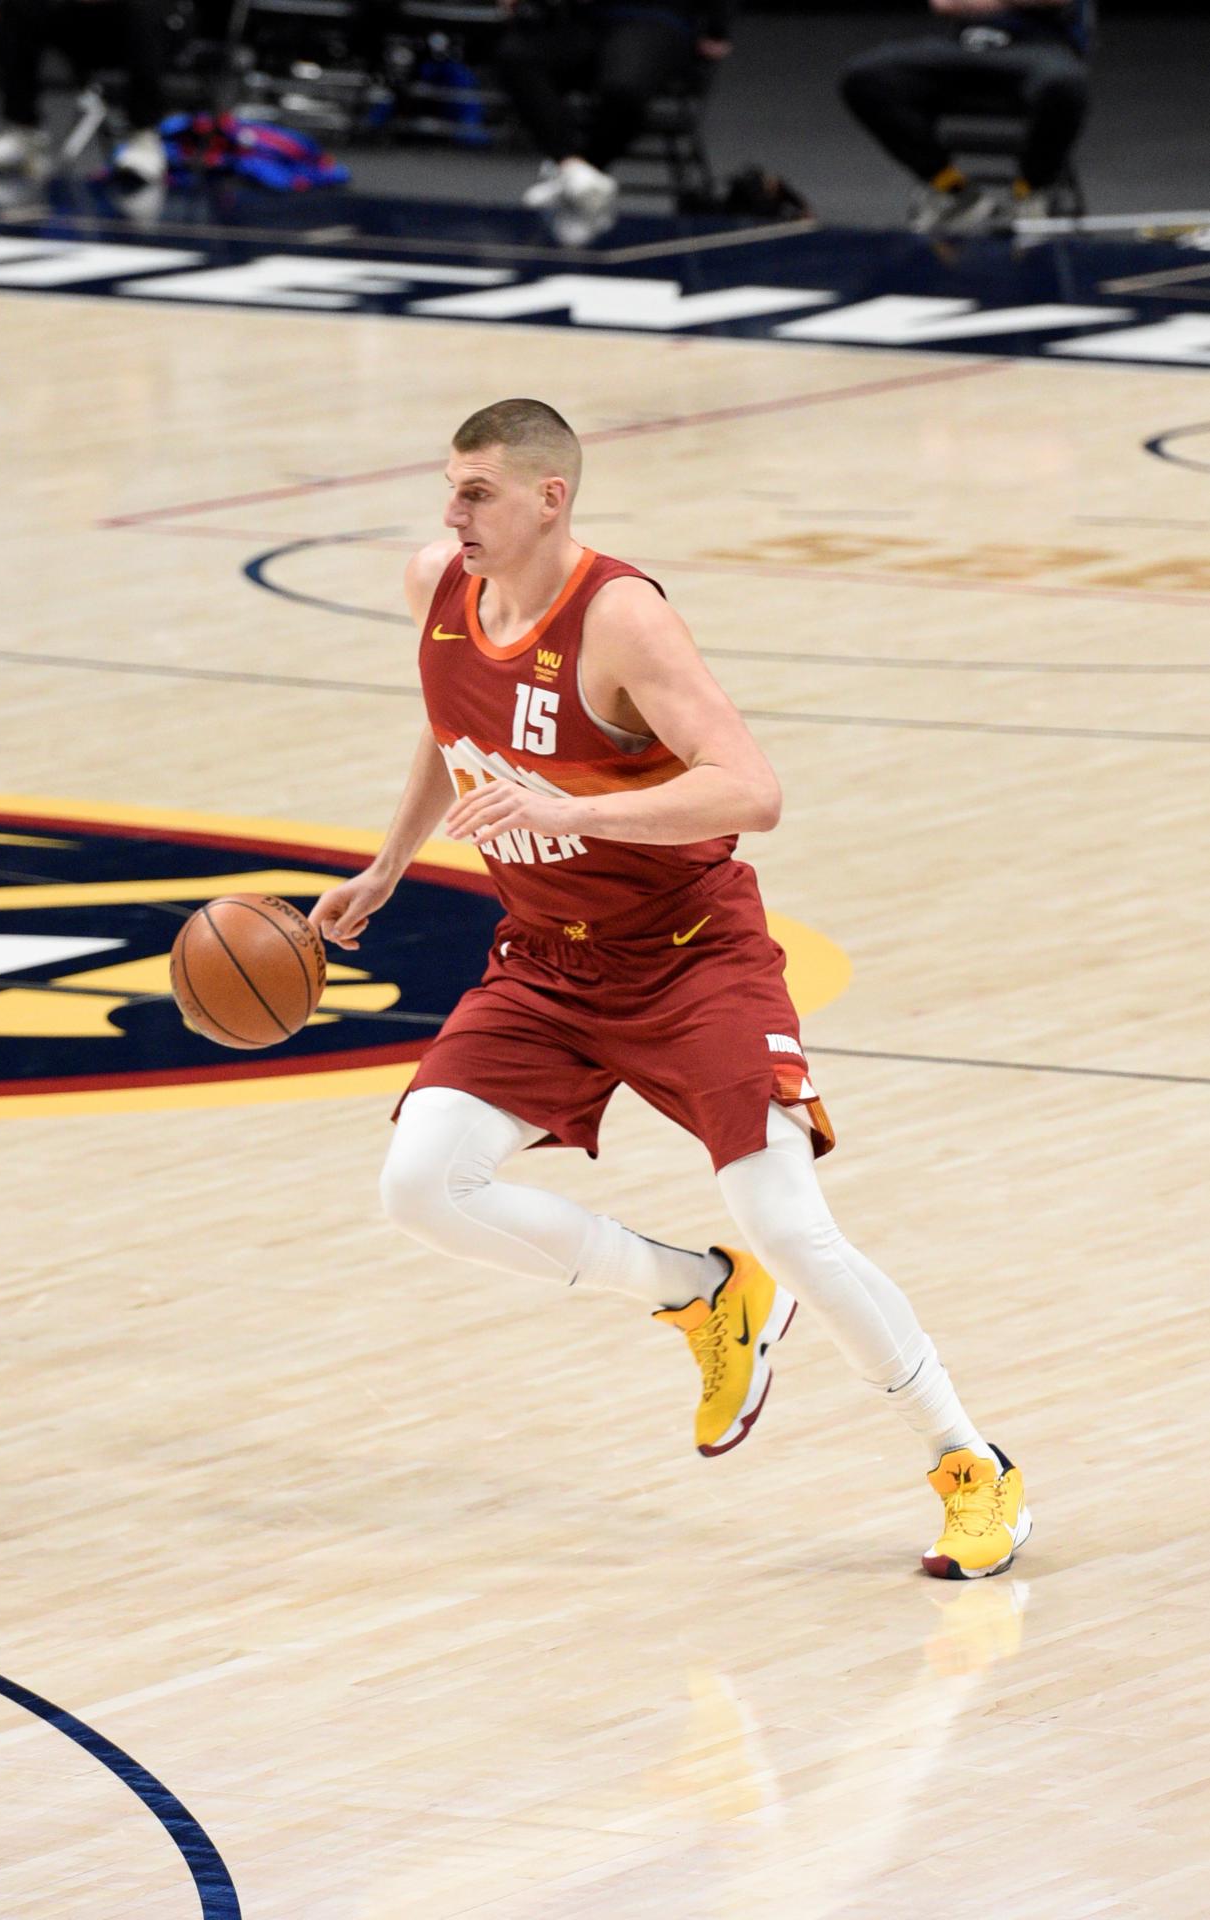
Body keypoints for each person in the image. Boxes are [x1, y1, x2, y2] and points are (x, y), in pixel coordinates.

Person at [309, 397, 1030, 1581]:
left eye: (478, 490)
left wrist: (573, 811)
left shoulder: (620, 618)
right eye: (450, 487)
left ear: (552, 497)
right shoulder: (435, 585)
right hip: (547, 959)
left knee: (789, 1225)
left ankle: (970, 1464)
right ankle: (702, 1297)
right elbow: (454, 731)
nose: (453, 511)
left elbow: (752, 790)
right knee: (421, 1186)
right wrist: (389, 865)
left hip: (690, 954)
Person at [840, 0, 1091, 235]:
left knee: (1063, 84)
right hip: (964, 46)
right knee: (866, 77)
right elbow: (944, 3)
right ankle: (953, 192)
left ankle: (1032, 192)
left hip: (1038, 47)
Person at [494, 0, 731, 236]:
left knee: (623, 90)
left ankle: (582, 172)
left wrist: (717, 28)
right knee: (516, 55)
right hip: (584, 18)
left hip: (655, 19)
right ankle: (572, 168)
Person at [0, 0, 169, 184]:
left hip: (153, 23)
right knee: (19, 6)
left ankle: (145, 138)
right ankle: (23, 133)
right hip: (80, 21)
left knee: (144, 7)